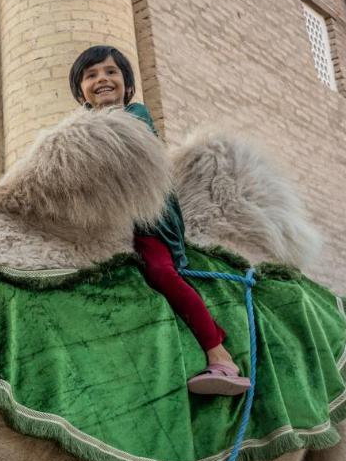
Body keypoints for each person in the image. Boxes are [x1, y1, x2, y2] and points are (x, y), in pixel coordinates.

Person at [68, 45, 250, 396]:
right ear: (80, 92)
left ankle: (219, 353)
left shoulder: (135, 115)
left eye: (110, 72)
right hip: (104, 225)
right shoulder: (80, 128)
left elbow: (114, 154)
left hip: (146, 225)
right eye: (91, 75)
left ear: (127, 84)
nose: (102, 79)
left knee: (160, 271)